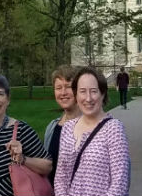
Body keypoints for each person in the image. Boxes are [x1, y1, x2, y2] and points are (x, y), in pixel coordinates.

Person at [54, 67, 130, 196]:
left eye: (94, 91)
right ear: (76, 95)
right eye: (82, 91)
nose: (88, 98)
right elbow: (60, 177)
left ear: (103, 93)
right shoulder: (67, 128)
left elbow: (120, 182)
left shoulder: (113, 129)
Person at [44, 65, 81, 187]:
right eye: (58, 88)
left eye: (68, 87)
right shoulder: (52, 127)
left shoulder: (91, 126)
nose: (63, 93)